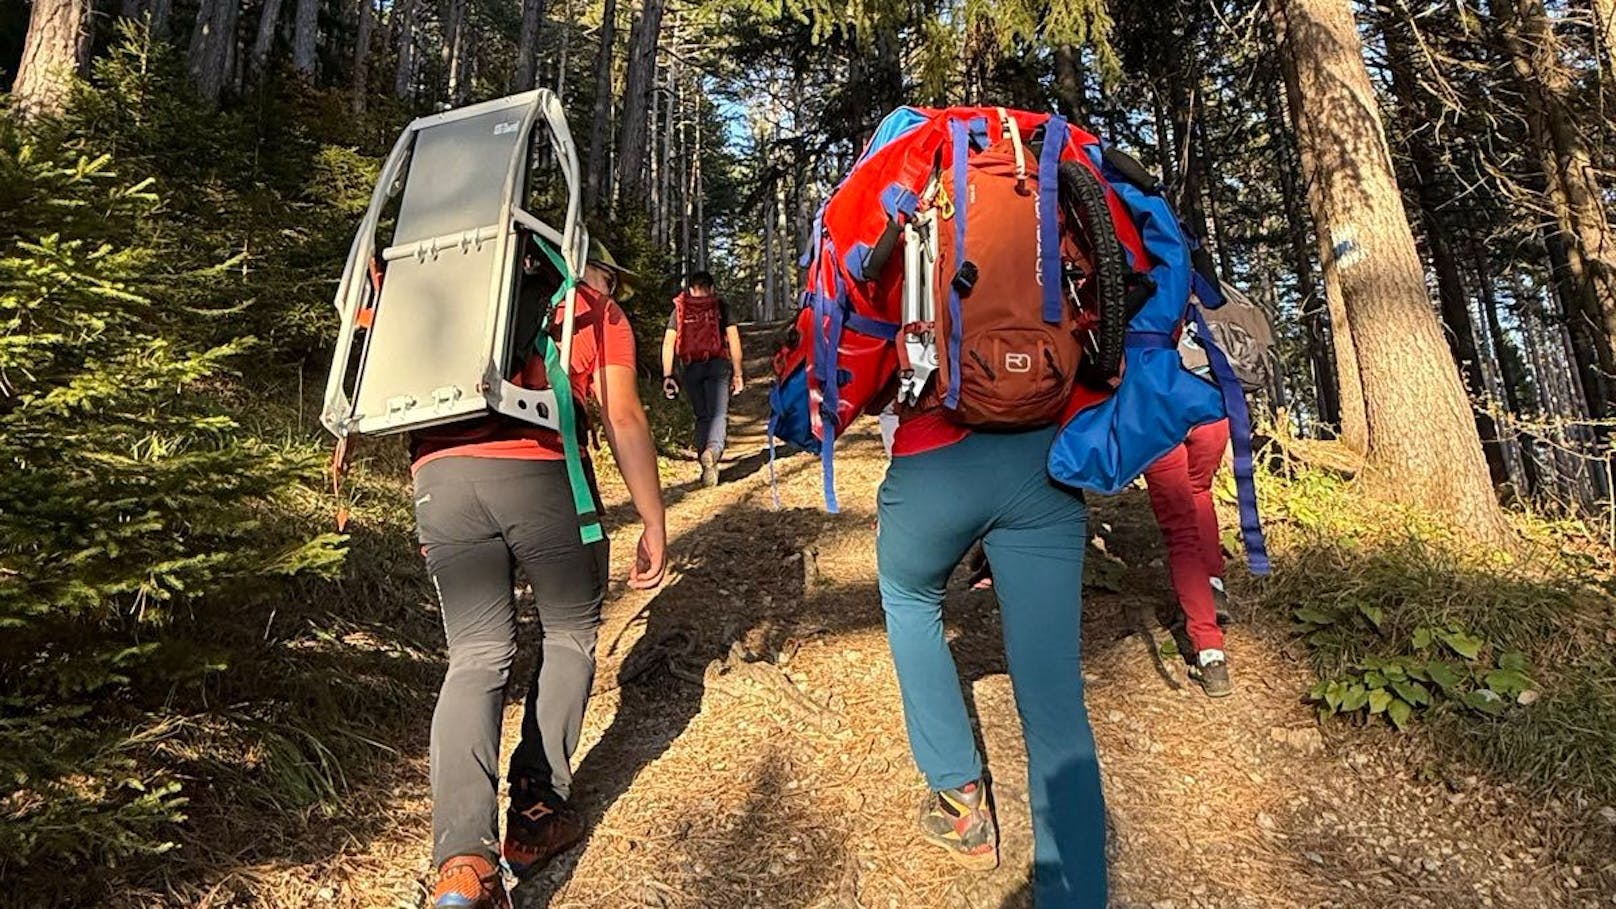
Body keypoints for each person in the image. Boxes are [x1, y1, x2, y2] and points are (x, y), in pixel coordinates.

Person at [418, 241, 667, 909]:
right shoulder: (592, 310)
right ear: (587, 264)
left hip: (437, 477)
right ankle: (535, 811)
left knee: (473, 656)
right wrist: (652, 517)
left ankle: (463, 867)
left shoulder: (448, 285)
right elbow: (621, 415)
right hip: (538, 469)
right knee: (568, 633)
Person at [877, 410, 1107, 907]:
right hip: (1045, 463)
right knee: (1055, 698)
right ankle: (1076, 895)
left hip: (931, 463)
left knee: (911, 601)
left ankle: (962, 807)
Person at [1143, 319, 1238, 698]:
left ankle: (1210, 652)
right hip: (1208, 404)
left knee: (1181, 534)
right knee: (1200, 491)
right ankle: (1213, 585)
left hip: (1154, 415)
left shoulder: (1109, 290)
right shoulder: (1183, 282)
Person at [662, 271, 744, 487]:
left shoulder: (680, 309)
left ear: (690, 289)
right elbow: (734, 339)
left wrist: (667, 375)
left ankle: (705, 460)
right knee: (718, 414)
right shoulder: (720, 306)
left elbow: (668, 343)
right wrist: (738, 372)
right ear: (712, 287)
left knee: (702, 416)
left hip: (691, 367)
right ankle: (713, 451)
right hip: (717, 364)